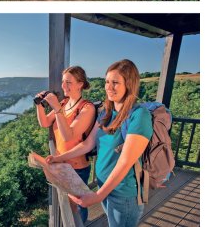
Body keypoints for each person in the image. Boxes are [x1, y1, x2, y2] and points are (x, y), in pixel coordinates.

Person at [47, 60, 152, 227]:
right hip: (106, 187)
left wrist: (98, 196)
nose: (109, 87)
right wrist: (60, 158)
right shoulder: (106, 112)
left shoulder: (139, 116)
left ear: (129, 84)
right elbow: (87, 144)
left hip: (124, 193)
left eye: (115, 82)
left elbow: (125, 162)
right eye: (107, 82)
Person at [35, 66, 96, 224]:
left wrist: (56, 108)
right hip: (60, 163)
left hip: (77, 167)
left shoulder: (86, 108)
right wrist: (39, 105)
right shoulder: (65, 103)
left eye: (68, 82)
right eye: (63, 82)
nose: (63, 86)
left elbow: (68, 136)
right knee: (67, 206)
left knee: (76, 207)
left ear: (80, 84)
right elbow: (44, 122)